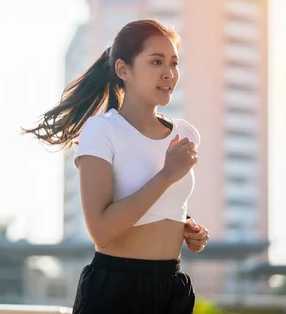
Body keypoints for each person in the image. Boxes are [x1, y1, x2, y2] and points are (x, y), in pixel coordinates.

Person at [23, 19, 210, 313]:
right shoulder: (101, 131)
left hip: (171, 289)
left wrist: (185, 227)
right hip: (115, 290)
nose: (169, 73)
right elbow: (101, 229)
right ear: (123, 69)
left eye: (174, 63)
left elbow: (162, 204)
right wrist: (167, 175)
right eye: (156, 62)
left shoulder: (185, 133)